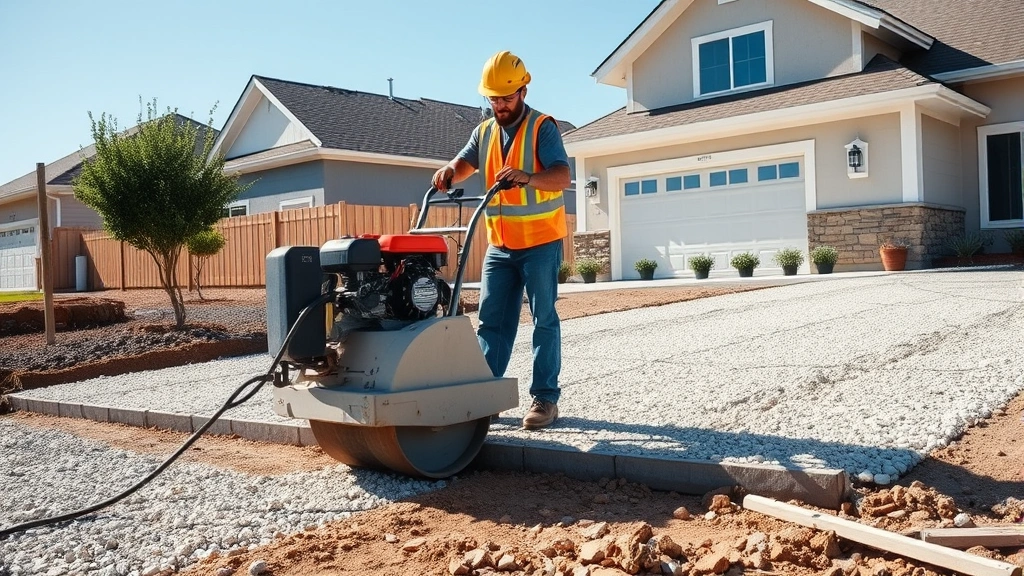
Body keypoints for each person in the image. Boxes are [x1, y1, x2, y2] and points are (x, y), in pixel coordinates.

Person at [431, 50, 571, 430]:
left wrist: (527, 176)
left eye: (506, 98)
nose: (500, 105)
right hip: (501, 246)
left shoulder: (542, 127)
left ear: (523, 90)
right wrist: (448, 171)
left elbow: (561, 177)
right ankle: (485, 396)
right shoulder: (484, 131)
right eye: (493, 98)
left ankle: (545, 399)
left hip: (540, 242)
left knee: (544, 319)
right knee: (490, 320)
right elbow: (464, 163)